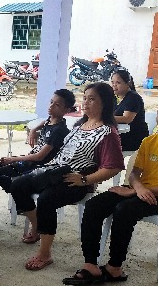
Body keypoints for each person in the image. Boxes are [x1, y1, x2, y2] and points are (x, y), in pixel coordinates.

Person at [64, 91, 158, 285]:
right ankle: (90, 264)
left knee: (124, 210)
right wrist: (136, 188)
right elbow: (134, 173)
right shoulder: (149, 141)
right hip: (138, 189)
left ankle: (114, 268)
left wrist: (136, 191)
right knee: (94, 205)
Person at [9, 82, 124, 271]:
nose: (85, 103)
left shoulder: (107, 133)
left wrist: (85, 180)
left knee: (46, 199)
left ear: (105, 103)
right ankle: (38, 226)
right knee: (18, 186)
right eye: (85, 98)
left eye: (92, 99)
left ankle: (44, 254)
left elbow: (114, 167)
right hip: (53, 172)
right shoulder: (80, 125)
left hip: (76, 181)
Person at [0, 89, 74, 212]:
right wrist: (33, 130)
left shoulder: (59, 131)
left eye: (57, 105)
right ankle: (16, 195)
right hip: (29, 162)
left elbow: (40, 157)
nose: (51, 106)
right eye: (51, 102)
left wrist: (13, 159)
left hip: (37, 167)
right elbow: (44, 123)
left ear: (66, 110)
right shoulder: (50, 120)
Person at [111, 69, 148, 151]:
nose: (114, 85)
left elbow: (127, 119)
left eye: (118, 83)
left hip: (134, 137)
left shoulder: (133, 98)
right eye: (112, 82)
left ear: (128, 84)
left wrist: (104, 118)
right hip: (121, 134)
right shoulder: (115, 97)